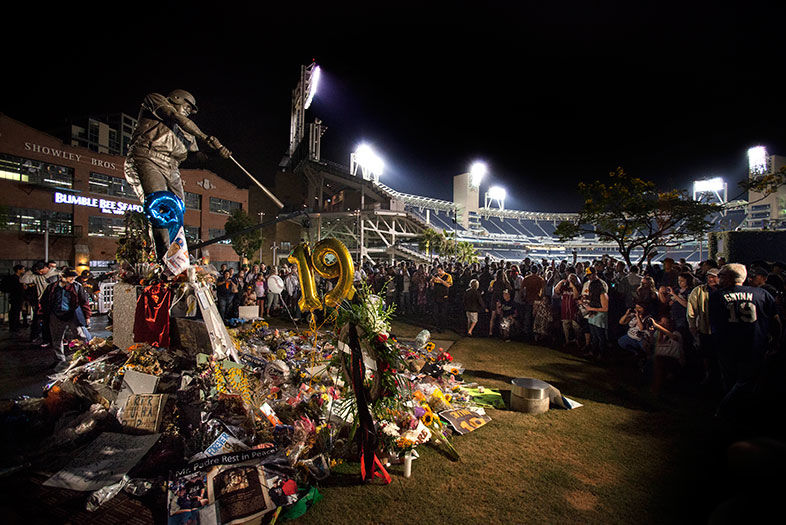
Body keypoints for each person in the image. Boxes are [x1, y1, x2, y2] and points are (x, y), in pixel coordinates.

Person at [124, 90, 232, 259]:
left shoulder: (188, 132)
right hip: (148, 157)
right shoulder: (156, 101)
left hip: (172, 168)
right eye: (187, 106)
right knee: (161, 206)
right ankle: (164, 259)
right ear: (176, 99)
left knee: (177, 213)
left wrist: (217, 153)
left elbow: (196, 156)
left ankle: (177, 256)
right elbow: (174, 116)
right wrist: (204, 137)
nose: (189, 111)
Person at [710, 263, 781, 419]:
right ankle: (740, 414)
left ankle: (725, 411)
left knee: (732, 381)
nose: (718, 279)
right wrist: (775, 342)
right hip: (755, 345)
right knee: (747, 381)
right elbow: (776, 322)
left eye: (721, 275)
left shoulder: (717, 296)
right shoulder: (762, 294)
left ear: (729, 277)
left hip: (729, 347)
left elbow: (715, 323)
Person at [40, 268, 91, 361]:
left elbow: (84, 302)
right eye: (70, 277)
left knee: (81, 335)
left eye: (74, 277)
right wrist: (44, 314)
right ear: (62, 277)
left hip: (72, 314)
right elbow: (44, 301)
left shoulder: (77, 286)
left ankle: (85, 355)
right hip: (56, 315)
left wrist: (87, 316)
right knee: (57, 338)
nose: (73, 279)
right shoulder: (52, 287)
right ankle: (59, 359)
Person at [687, 267, 720, 385]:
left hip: (721, 330)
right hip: (705, 327)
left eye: (713, 277)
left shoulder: (725, 290)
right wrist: (692, 325)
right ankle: (708, 374)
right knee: (706, 353)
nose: (710, 279)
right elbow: (691, 309)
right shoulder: (699, 290)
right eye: (709, 277)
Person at [3, 265, 26, 334]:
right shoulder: (15, 279)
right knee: (15, 313)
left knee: (16, 312)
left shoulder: (18, 278)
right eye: (23, 269)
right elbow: (17, 289)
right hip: (16, 298)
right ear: (18, 270)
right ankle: (14, 327)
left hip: (16, 298)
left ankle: (15, 326)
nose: (24, 271)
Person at [432, 265, 453, 332]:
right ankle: (436, 326)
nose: (438, 272)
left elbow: (448, 285)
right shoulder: (436, 275)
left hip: (444, 297)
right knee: (435, 313)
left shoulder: (448, 276)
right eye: (437, 271)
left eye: (440, 271)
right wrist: (432, 281)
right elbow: (432, 285)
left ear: (443, 270)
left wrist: (440, 280)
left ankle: (442, 328)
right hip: (436, 296)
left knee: (443, 313)